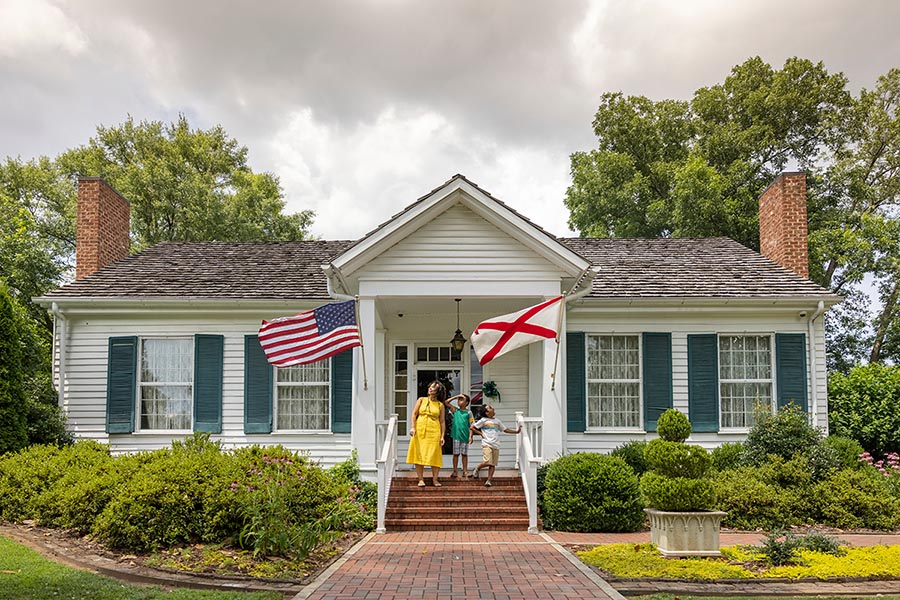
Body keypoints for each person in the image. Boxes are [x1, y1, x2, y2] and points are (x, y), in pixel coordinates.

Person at [406, 380, 446, 487]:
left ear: (438, 391)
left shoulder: (440, 405)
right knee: (419, 453)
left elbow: (442, 421)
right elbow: (414, 414)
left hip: (434, 431)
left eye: (433, 387)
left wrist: (442, 436)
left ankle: (435, 479)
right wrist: (413, 427)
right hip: (420, 430)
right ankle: (420, 479)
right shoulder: (421, 400)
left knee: (435, 454)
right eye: (430, 387)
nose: (430, 389)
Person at [470, 404, 521, 487]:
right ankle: (478, 468)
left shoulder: (497, 421)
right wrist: (480, 433)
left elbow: (505, 429)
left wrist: (516, 431)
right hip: (487, 443)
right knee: (487, 461)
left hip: (496, 444)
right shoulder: (483, 420)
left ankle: (489, 480)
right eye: (490, 408)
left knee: (492, 464)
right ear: (487, 413)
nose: (493, 408)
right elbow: (472, 427)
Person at [443, 393, 474, 478]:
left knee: (464, 454)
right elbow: (446, 402)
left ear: (466, 402)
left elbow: (472, 425)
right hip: (456, 435)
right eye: (459, 399)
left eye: (462, 399)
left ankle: (465, 471)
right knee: (456, 454)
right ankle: (455, 471)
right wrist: (456, 396)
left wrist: (471, 436)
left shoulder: (469, 412)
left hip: (465, 436)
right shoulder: (455, 410)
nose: (459, 401)